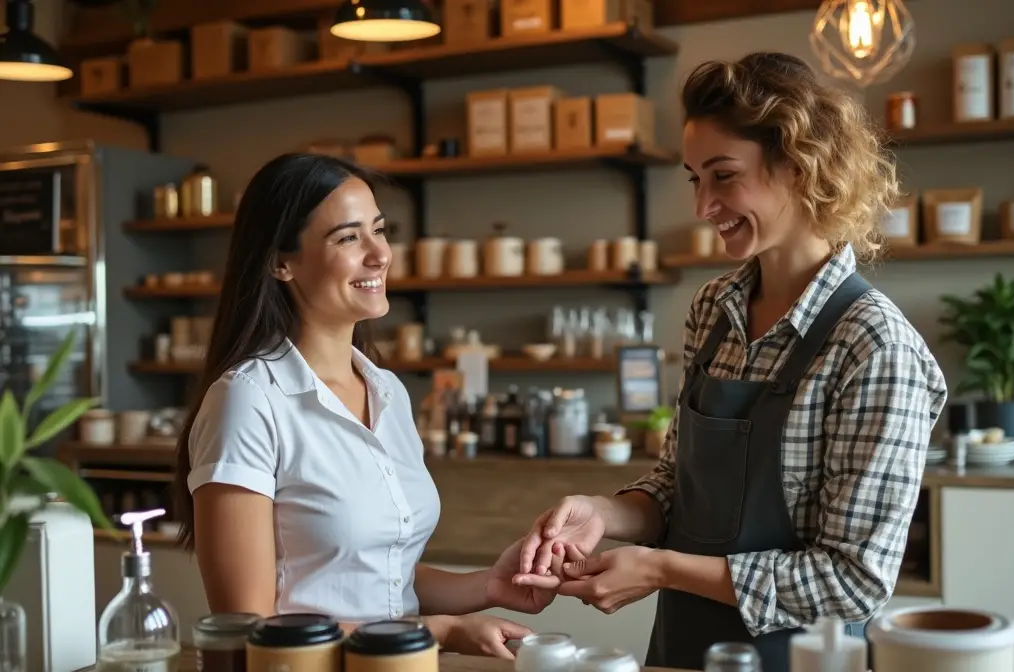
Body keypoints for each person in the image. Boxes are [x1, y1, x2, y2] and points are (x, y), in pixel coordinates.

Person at [514, 52, 948, 671]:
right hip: (682, 654)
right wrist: (603, 513)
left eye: (723, 175)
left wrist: (662, 568)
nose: (702, 206)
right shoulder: (713, 310)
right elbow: (676, 483)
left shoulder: (874, 346)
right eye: (695, 178)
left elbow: (854, 581)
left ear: (800, 166)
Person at [171, 153, 567, 659]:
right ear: (280, 262)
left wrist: (489, 585)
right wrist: (436, 632)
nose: (380, 254)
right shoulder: (247, 400)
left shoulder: (387, 391)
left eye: (379, 230)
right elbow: (249, 626)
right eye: (348, 237)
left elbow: (378, 576)